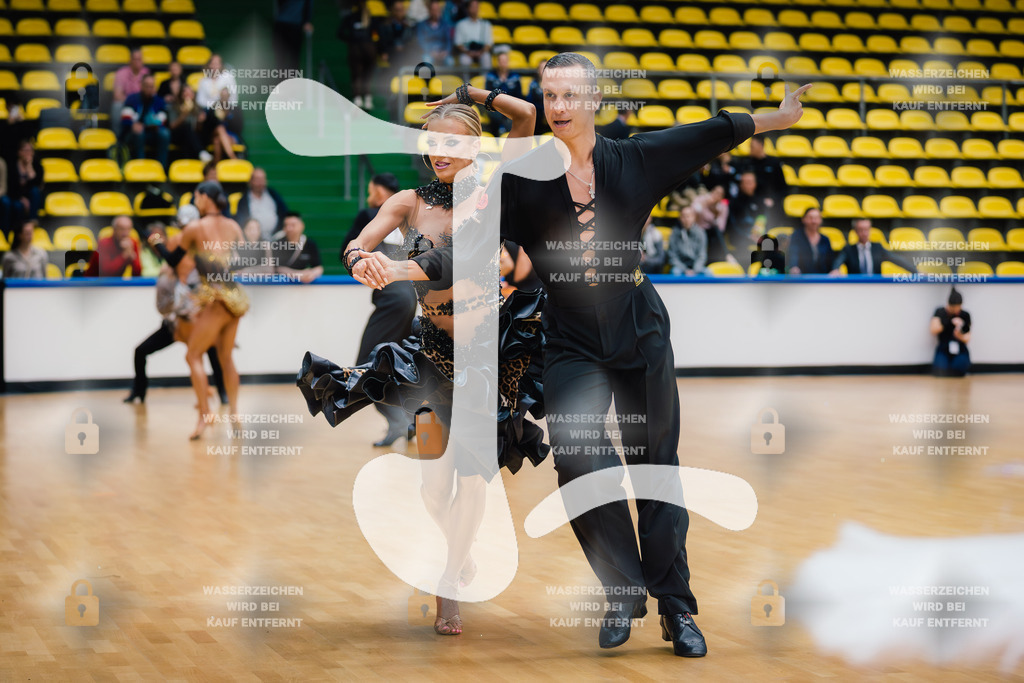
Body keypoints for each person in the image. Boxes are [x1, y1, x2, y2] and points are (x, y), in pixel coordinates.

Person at [495, 52, 809, 657]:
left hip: (638, 329)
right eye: (549, 95)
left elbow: (712, 132)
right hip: (571, 338)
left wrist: (778, 118)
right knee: (579, 461)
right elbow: (470, 230)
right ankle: (622, 590)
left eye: (570, 94)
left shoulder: (636, 158)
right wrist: (397, 258)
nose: (559, 106)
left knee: (656, 465)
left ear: (593, 100)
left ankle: (676, 607)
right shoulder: (524, 178)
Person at [297, 89, 544, 637]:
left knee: (472, 480)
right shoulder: (408, 202)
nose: (440, 151)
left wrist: (468, 95)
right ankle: (461, 550)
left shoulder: (495, 193)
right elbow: (359, 242)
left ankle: (448, 584)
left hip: (485, 362)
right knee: (434, 488)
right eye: (432, 142)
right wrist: (360, 259)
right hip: (430, 360)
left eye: (453, 141)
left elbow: (527, 115)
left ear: (475, 146)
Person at [148, 181, 249, 439]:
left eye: (196, 196)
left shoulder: (195, 228)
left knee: (193, 356)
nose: (195, 201)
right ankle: (235, 415)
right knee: (226, 358)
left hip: (214, 299)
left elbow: (173, 260)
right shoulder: (232, 225)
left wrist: (157, 242)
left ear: (205, 197)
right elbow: (244, 260)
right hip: (234, 298)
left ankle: (204, 415)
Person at [338, 173, 418, 446]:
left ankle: (402, 422)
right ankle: (409, 421)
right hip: (410, 299)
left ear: (380, 191)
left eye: (371, 190)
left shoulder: (370, 215)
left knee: (366, 366)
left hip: (393, 300)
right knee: (395, 365)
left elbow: (346, 251)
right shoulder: (409, 215)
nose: (370, 195)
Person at [125, 207, 227, 405]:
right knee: (141, 351)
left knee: (211, 352)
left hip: (196, 318)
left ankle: (222, 394)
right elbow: (163, 303)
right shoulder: (171, 268)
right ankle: (139, 392)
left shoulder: (201, 255)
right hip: (176, 321)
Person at [830, 217, 915, 276]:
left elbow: (897, 260)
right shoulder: (848, 249)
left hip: (875, 288)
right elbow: (838, 261)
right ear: (855, 231)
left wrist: (915, 271)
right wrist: (835, 269)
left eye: (866, 229)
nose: (864, 233)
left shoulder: (878, 248)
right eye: (861, 230)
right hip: (855, 288)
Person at [122, 74, 170, 169]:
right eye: (147, 86)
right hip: (134, 134)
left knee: (165, 134)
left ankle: (161, 168)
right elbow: (126, 119)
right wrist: (133, 125)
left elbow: (163, 120)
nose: (149, 89)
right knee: (139, 132)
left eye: (151, 86)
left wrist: (155, 125)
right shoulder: (132, 99)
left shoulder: (159, 101)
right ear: (141, 86)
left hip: (153, 132)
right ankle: (141, 167)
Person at [337, 1, 378, 110]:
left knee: (360, 75)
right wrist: (352, 39)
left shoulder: (370, 19)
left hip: (365, 50)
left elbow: (376, 33)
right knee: (361, 74)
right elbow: (340, 33)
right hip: (357, 49)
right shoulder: (351, 18)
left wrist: (353, 39)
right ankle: (361, 98)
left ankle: (363, 98)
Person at [720, 171, 768, 264]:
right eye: (745, 182)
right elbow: (732, 226)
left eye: (750, 182)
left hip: (757, 236)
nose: (748, 185)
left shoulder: (760, 202)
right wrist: (748, 236)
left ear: (755, 184)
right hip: (739, 238)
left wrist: (758, 234)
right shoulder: (734, 203)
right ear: (741, 185)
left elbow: (763, 219)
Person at [743, 134, 786, 224]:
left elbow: (783, 187)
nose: (750, 149)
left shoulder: (774, 163)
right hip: (753, 202)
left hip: (772, 204)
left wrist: (773, 199)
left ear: (760, 145)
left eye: (752, 146)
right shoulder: (747, 163)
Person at [235, 168, 288, 240]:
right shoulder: (244, 200)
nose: (260, 183)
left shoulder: (273, 195)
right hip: (252, 240)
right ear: (251, 181)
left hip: (275, 237)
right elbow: (241, 220)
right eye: (257, 180)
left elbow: (284, 213)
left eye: (262, 179)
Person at [931, 288, 971, 377]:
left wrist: (959, 334)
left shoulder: (965, 315)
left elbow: (967, 338)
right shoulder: (940, 312)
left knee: (959, 368)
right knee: (940, 370)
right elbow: (933, 330)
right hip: (944, 346)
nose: (956, 310)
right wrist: (949, 322)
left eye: (958, 307)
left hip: (960, 347)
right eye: (954, 308)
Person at [272, 212, 323, 282]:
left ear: (302, 226)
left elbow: (318, 267)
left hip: (303, 285)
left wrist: (312, 274)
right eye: (286, 225)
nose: (289, 228)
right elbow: (278, 268)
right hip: (281, 284)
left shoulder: (309, 244)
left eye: (293, 225)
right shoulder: (277, 244)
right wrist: (298, 275)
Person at [484, 45, 523, 136]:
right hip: (495, 106)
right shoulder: (491, 76)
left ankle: (507, 132)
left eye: (505, 61)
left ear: (508, 62)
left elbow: (519, 95)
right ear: (498, 62)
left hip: (512, 105)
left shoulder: (515, 76)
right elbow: (488, 94)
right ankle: (499, 133)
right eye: (501, 61)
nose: (503, 63)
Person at [788, 207, 834, 275]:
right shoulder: (796, 237)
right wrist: (794, 267)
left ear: (820, 220)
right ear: (803, 219)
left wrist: (834, 270)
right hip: (802, 277)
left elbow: (830, 261)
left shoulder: (825, 240)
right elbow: (793, 254)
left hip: (822, 278)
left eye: (816, 218)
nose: (813, 221)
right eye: (810, 218)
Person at [7, 139, 43, 224]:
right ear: (19, 152)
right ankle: (19, 227)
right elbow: (10, 187)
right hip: (16, 196)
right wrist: (22, 199)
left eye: (30, 150)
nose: (28, 153)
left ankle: (32, 221)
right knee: (17, 206)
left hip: (31, 198)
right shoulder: (12, 166)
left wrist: (29, 166)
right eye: (26, 150)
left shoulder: (37, 166)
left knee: (35, 191)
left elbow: (37, 184)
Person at [112, 47, 149, 125]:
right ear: (130, 60)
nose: (137, 62)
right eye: (135, 59)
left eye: (139, 59)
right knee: (117, 105)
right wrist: (132, 102)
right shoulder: (121, 73)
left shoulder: (146, 73)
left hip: (142, 103)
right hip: (126, 102)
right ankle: (116, 132)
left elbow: (150, 92)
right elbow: (117, 95)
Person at [273, 0, 313, 73]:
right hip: (285, 24)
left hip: (292, 25)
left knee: (291, 60)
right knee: (283, 60)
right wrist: (307, 21)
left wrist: (307, 21)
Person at [167, 84, 204, 160]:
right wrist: (183, 115)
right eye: (185, 93)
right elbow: (172, 126)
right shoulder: (174, 107)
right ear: (181, 95)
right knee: (187, 127)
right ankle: (201, 152)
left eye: (189, 93)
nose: (187, 95)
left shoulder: (198, 108)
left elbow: (198, 128)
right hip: (177, 135)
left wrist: (200, 121)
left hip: (191, 136)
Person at [667, 206, 707, 275]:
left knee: (708, 273)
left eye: (688, 216)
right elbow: (672, 256)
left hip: (697, 266)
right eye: (683, 216)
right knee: (675, 272)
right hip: (680, 267)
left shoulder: (701, 233)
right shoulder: (674, 233)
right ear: (680, 218)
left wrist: (695, 270)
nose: (686, 219)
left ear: (694, 217)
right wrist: (685, 270)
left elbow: (702, 255)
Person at [453, 0, 493, 68]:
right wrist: (468, 52)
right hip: (466, 52)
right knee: (464, 60)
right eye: (472, 7)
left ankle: (485, 75)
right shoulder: (460, 24)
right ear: (467, 8)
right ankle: (465, 76)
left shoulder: (486, 24)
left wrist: (481, 52)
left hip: (481, 52)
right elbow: (458, 43)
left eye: (476, 6)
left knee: (486, 58)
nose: (475, 9)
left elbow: (489, 43)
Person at [377, 0, 412, 70]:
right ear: (393, 11)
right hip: (391, 52)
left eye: (402, 9)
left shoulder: (409, 24)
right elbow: (383, 41)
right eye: (397, 10)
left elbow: (411, 41)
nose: (400, 12)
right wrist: (384, 52)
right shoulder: (386, 25)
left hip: (406, 52)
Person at [417, 0, 453, 67]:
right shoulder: (422, 25)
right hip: (428, 53)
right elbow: (421, 41)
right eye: (434, 10)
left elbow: (448, 40)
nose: (436, 12)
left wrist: (446, 51)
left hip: (442, 53)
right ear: (429, 11)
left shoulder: (445, 24)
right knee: (427, 60)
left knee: (450, 61)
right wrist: (430, 52)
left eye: (438, 10)